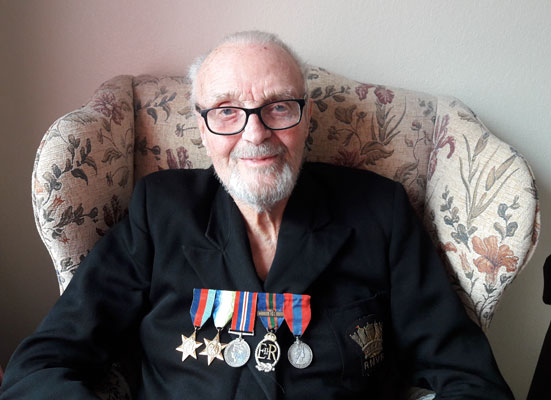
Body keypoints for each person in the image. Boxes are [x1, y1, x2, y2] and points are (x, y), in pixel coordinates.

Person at [0, 31, 513, 399]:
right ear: (201, 129)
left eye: (278, 107)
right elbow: (42, 363)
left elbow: (469, 377)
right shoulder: (159, 211)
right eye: (226, 111)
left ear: (306, 117)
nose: (255, 134)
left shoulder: (381, 212)